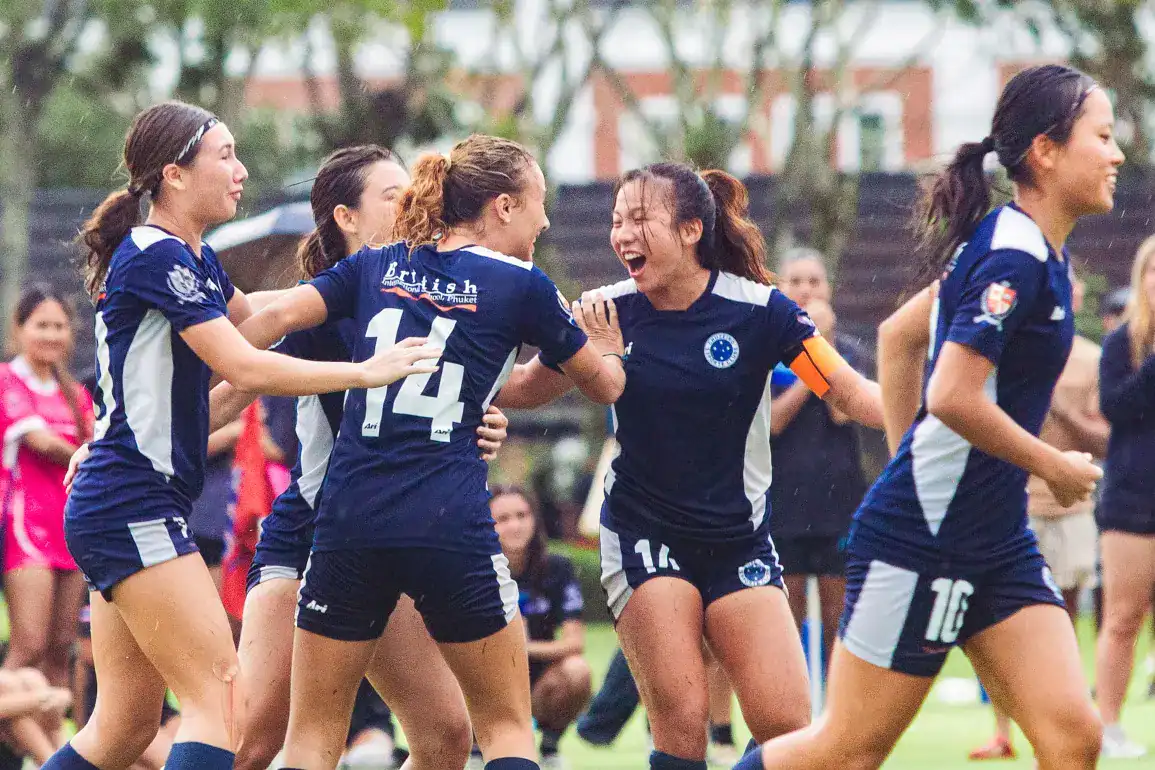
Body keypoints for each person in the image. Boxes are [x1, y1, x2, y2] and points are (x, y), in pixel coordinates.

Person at [737, 63, 1120, 770]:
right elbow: (950, 393)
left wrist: (910, 454)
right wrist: (1050, 466)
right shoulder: (1013, 256)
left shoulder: (1022, 244)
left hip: (996, 543)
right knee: (847, 749)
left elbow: (897, 337)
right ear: (1044, 150)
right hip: (921, 541)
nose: (1116, 154)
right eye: (1101, 136)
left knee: (1073, 737)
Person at [43, 101, 442, 770]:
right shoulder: (156, 253)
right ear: (174, 174)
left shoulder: (192, 258)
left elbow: (261, 321)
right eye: (224, 155)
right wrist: (366, 369)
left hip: (126, 500)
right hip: (130, 502)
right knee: (220, 700)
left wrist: (347, 293)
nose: (241, 170)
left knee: (124, 727)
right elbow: (243, 360)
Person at [233, 133, 626, 770]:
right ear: (502, 205)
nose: (547, 218)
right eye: (539, 202)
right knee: (504, 731)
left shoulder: (371, 272)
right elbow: (601, 384)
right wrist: (601, 348)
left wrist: (198, 344)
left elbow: (262, 325)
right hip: (423, 524)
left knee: (342, 738)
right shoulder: (518, 284)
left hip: (350, 523)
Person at [496, 161, 884, 770]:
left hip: (738, 539)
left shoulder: (763, 313)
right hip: (645, 534)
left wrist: (933, 419)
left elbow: (848, 392)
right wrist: (455, 375)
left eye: (640, 219)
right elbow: (522, 388)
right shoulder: (605, 313)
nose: (623, 234)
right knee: (682, 728)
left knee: (790, 730)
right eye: (616, 221)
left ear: (690, 230)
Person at [202, 144, 507, 770]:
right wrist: (120, 446)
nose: (412, 204)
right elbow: (229, 388)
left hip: (389, 533)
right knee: (254, 735)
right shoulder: (320, 307)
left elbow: (449, 405)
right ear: (346, 217)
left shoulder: (431, 298)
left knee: (446, 734)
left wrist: (483, 421)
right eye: (392, 196)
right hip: (315, 530)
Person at [969, 267, 1109, 761]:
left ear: (1079, 290)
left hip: (1072, 507)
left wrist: (1059, 411)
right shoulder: (1010, 348)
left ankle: (1054, 724)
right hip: (1017, 504)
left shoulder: (1092, 357)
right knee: (1003, 623)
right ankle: (1002, 729)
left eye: (1070, 281)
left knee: (1065, 616)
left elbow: (1102, 437)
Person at [0, 284, 93, 692]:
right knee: (30, 645)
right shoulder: (6, 381)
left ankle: (51, 754)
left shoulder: (78, 394)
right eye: (41, 325)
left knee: (60, 648)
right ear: (19, 329)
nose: (52, 334)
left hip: (71, 526)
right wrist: (87, 452)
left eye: (60, 326)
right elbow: (43, 443)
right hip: (27, 528)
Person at [769, 295, 868, 672]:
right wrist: (812, 369)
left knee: (838, 621)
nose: (805, 289)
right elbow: (774, 421)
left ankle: (839, 719)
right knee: (785, 621)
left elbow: (842, 413)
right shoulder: (769, 352)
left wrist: (821, 347)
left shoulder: (847, 353)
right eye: (796, 282)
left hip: (837, 501)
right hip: (785, 500)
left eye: (814, 282)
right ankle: (788, 718)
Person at [1093, 234, 1155, 759]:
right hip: (1133, 502)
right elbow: (1117, 408)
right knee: (1122, 617)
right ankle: (1108, 726)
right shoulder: (1122, 345)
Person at [491, 485, 592, 768]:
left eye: (522, 515)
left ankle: (549, 746)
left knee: (577, 671)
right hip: (486, 679)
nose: (515, 525)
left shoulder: (557, 567)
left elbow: (575, 643)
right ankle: (476, 744)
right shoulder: (475, 570)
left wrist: (522, 647)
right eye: (503, 518)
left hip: (537, 677)